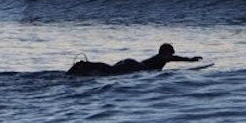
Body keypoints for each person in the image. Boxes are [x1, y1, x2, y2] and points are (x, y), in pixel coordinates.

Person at [67, 42, 202, 75]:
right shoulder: (162, 57)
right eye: (170, 54)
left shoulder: (159, 57)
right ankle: (86, 64)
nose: (171, 56)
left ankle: (87, 65)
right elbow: (176, 59)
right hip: (134, 66)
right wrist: (191, 60)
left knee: (110, 70)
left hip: (131, 63)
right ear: (166, 52)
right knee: (111, 72)